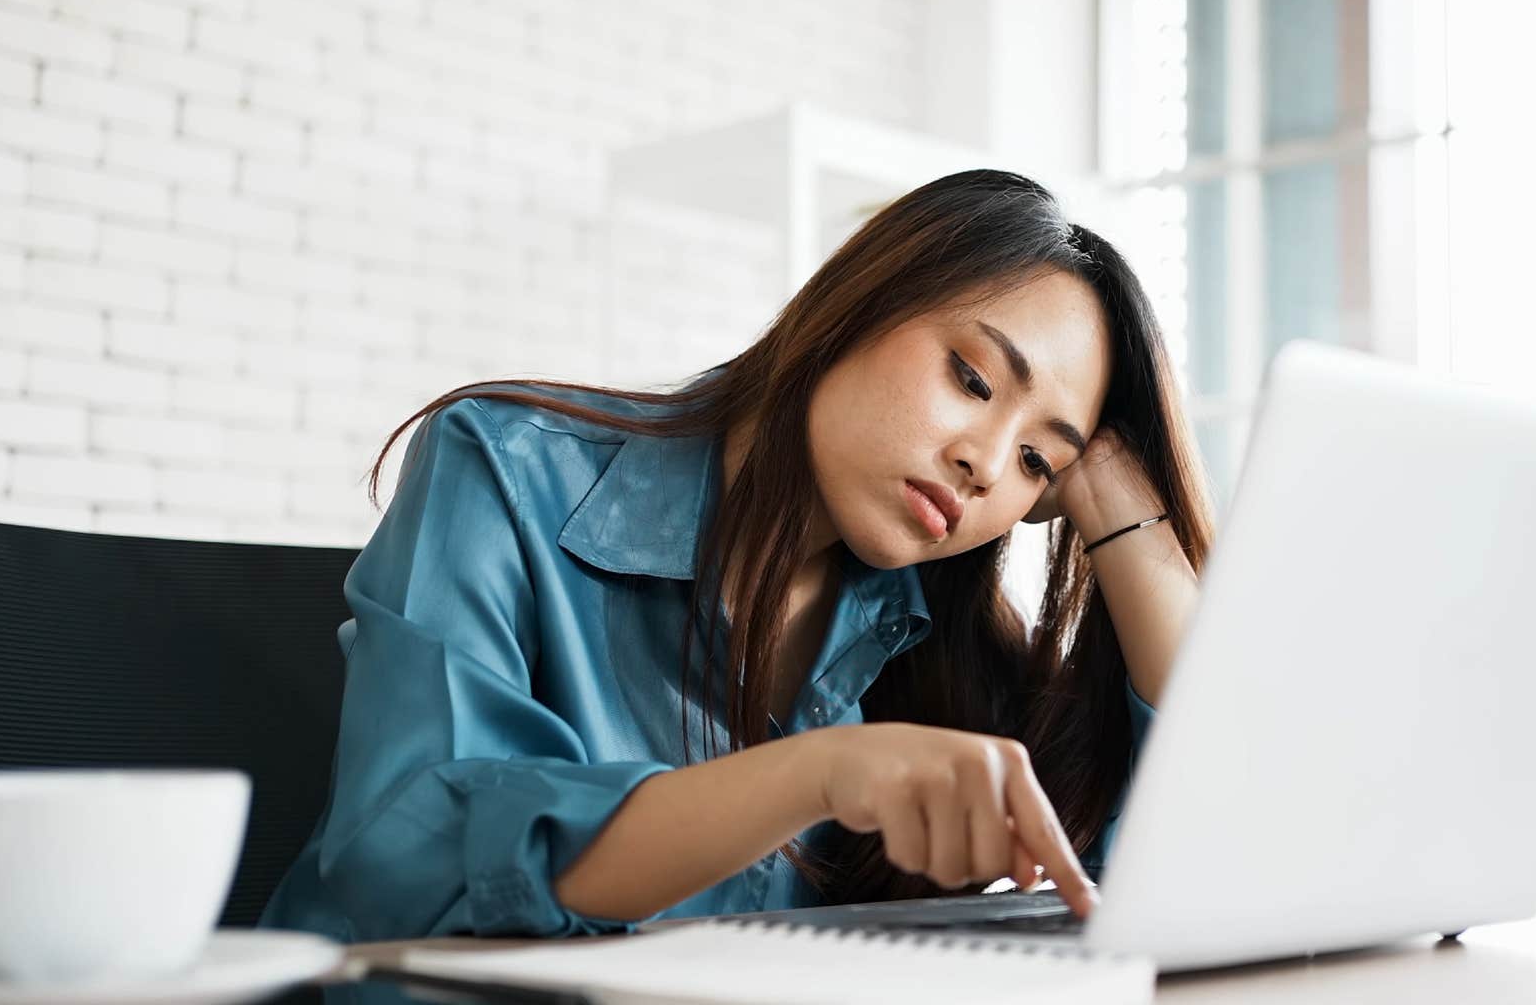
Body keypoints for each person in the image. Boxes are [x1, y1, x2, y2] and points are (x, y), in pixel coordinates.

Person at [259, 169, 1214, 947]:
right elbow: (412, 855)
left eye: (1040, 460)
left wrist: (1121, 505)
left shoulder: (932, 634)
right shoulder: (505, 468)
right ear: (860, 300)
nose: (986, 463)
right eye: (971, 378)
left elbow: (1197, 849)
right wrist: (820, 772)